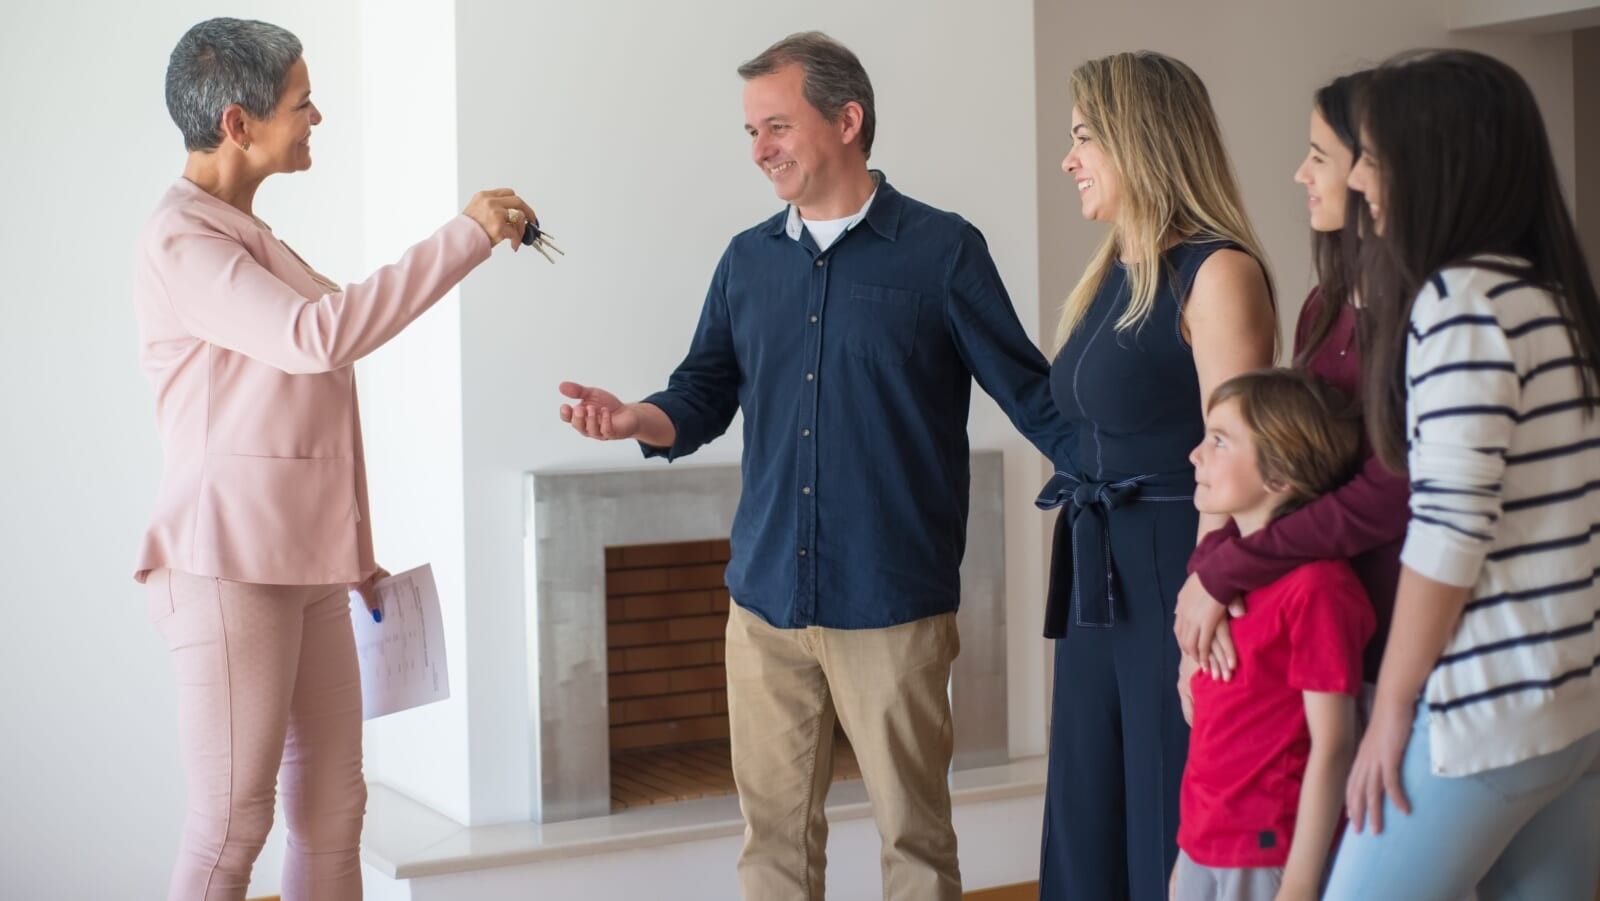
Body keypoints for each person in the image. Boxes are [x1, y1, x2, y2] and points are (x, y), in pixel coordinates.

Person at [556, 31, 1072, 901]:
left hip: (892, 604)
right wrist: (635, 418)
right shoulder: (746, 260)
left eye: (777, 126)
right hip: (764, 603)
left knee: (916, 842)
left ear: (847, 120)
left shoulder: (944, 252)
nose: (759, 150)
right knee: (772, 845)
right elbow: (702, 391)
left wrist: (1142, 477)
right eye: (750, 131)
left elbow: (1032, 394)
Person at [135, 18, 535, 900]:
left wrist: (351, 549)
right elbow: (319, 338)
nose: (317, 116)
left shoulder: (247, 233)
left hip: (305, 564)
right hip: (228, 564)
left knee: (333, 807)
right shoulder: (183, 240)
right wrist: (464, 235)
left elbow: (305, 404)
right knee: (231, 825)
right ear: (237, 123)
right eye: (302, 102)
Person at [1323, 48, 1600, 901]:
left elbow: (1447, 534)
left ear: (1434, 162)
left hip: (1485, 715)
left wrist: (1392, 711)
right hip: (1570, 707)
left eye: (1372, 156)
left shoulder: (1460, 302)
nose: (1358, 180)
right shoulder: (1550, 296)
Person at [1036, 50, 1277, 901]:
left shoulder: (1219, 271)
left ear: (1138, 140)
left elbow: (1240, 447)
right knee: (1088, 804)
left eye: (1084, 138)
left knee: (1165, 799)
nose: (1068, 160)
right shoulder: (1115, 270)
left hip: (1179, 561)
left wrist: (1209, 580)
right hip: (1097, 567)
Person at [1174, 70, 1409, 694]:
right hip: (1305, 617)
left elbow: (1389, 493)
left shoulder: (1427, 319)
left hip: (1393, 636)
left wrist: (1229, 568)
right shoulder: (1323, 307)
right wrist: (1208, 567)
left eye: (1318, 157)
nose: (1300, 175)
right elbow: (1282, 460)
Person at [1175, 369, 1373, 901]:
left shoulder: (1317, 589)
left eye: (1219, 441)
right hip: (1202, 846)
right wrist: (1187, 855)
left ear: (1281, 473)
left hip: (1267, 853)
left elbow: (1334, 744)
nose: (1195, 454)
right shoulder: (1218, 576)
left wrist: (1302, 880)